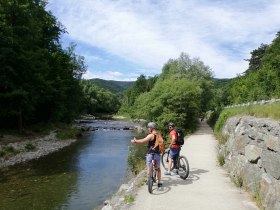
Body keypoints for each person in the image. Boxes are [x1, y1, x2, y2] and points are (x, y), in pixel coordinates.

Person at [131, 122, 162, 187]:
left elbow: (143, 140)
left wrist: (135, 141)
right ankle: (159, 183)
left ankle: (149, 180)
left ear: (151, 128)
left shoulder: (151, 135)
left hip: (150, 153)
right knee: (158, 169)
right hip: (157, 153)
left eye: (148, 128)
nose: (148, 129)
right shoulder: (159, 134)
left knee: (148, 167)